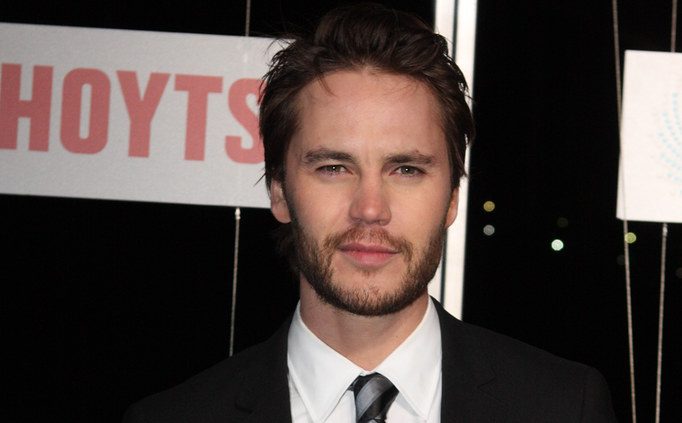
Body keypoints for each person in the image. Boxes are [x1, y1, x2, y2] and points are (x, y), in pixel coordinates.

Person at [123, 3, 617, 422]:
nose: (370, 209)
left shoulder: (563, 406)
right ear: (279, 190)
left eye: (406, 170)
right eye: (334, 168)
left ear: (451, 197)